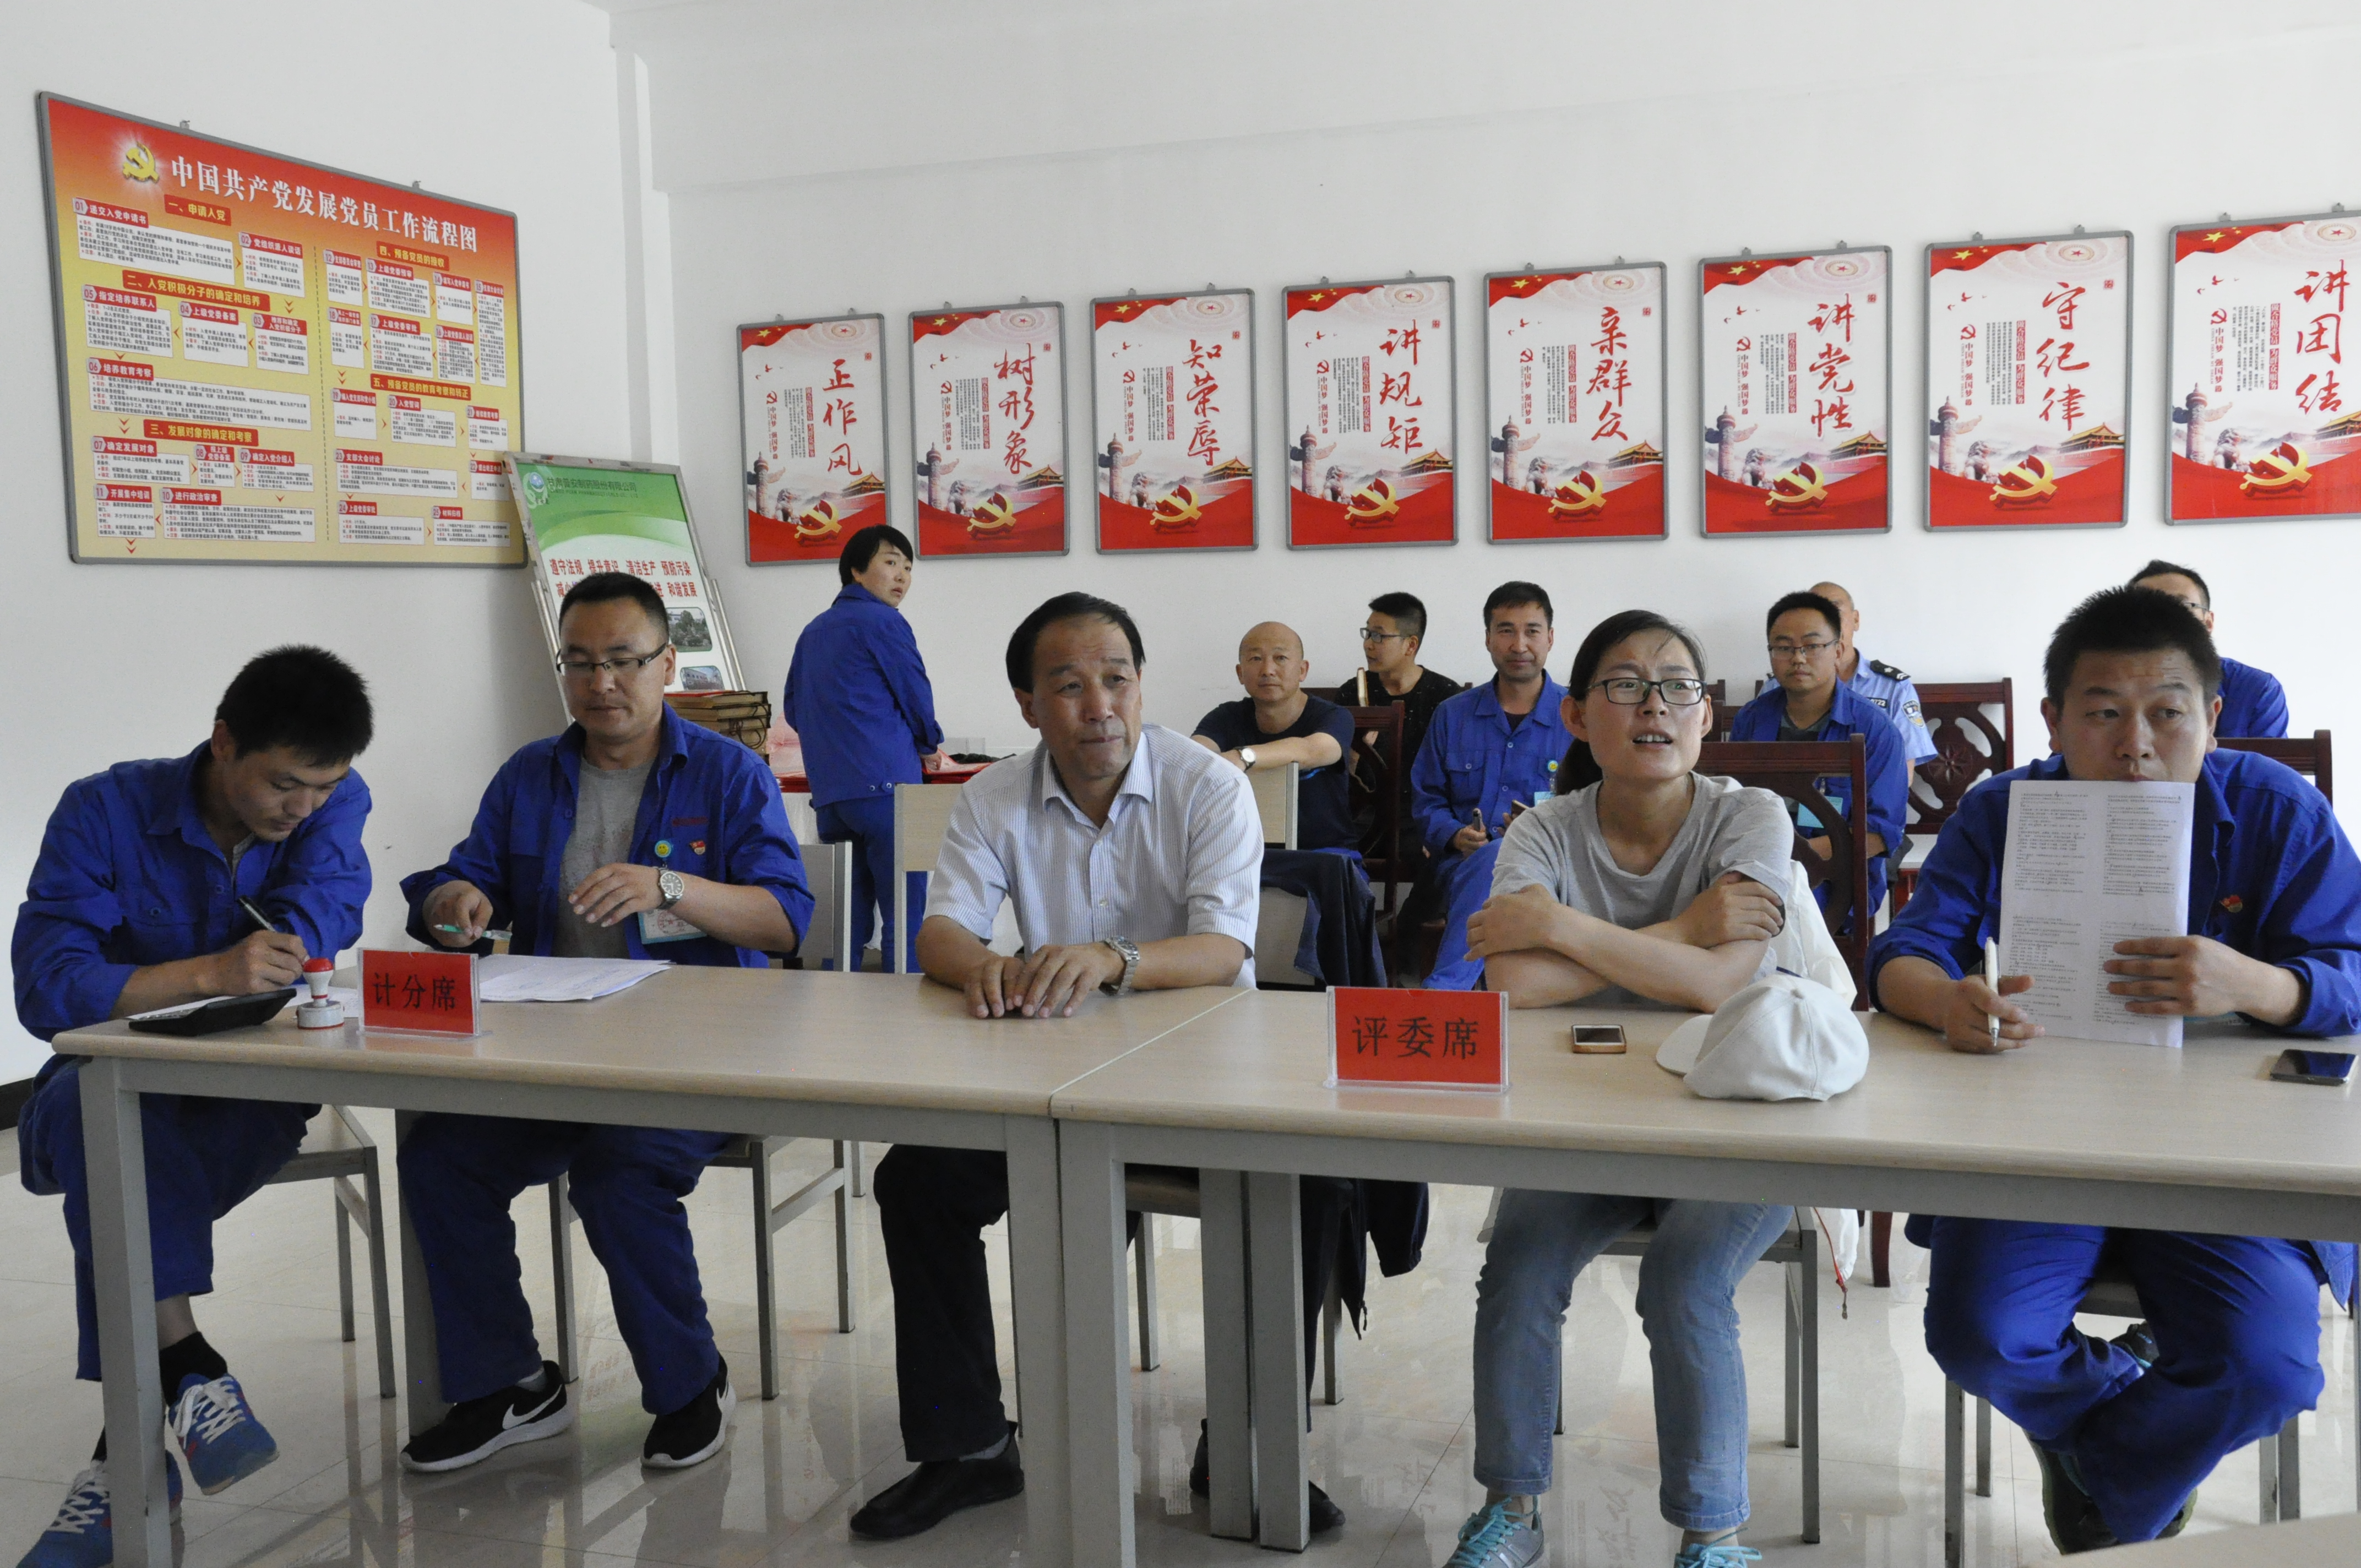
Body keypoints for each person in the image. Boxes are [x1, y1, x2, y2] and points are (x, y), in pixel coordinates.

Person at [1869, 584, 2361, 1552]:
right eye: (2102, 713)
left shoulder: (2277, 807)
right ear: (2053, 720)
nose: (2135, 745)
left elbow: (2352, 970)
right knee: (1980, 1337)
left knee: (2267, 1368)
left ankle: (2105, 1482)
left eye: (2166, 713)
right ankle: (2124, 1423)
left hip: (2226, 1160)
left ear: (2212, 717)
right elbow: (1903, 952)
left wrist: (2256, 983)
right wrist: (1946, 1000)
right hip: (2042, 1144)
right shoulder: (2002, 809)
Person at [851, 592, 1264, 1540]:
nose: (1099, 706)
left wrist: (1114, 959)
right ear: (1028, 704)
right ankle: (967, 1447)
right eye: (1070, 686)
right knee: (917, 1180)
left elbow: (1224, 948)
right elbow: (941, 931)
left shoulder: (1207, 785)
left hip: (1203, 1080)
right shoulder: (993, 794)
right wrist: (984, 967)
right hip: (1056, 1084)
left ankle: (1247, 1444)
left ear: (1141, 684)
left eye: (1117, 679)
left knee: (1301, 1186)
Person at [399, 572, 812, 1476]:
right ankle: (509, 1382)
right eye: (580, 663)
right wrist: (452, 903)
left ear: (667, 664)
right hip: (555, 1055)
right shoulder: (529, 775)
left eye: (624, 660)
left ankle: (689, 1383)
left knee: (617, 1174)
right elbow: (462, 881)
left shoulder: (726, 773)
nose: (602, 683)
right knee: (440, 1159)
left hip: (695, 1055)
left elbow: (785, 920)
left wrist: (671, 887)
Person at [1441, 610, 1794, 1568]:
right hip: (1588, 1115)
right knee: (1517, 1267)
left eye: (1678, 686)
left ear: (1706, 713)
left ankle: (1713, 1534)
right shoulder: (1544, 828)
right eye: (1626, 685)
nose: (1655, 705)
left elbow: (1723, 986)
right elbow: (1513, 983)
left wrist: (1562, 930)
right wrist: (1688, 929)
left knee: (1684, 1279)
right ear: (1576, 714)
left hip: (1740, 1110)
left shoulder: (1749, 817)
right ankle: (1510, 1507)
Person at [12, 647, 376, 1567]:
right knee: (93, 1120)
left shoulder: (332, 802)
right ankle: (189, 1368)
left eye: (323, 788)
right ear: (223, 743)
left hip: (250, 1091)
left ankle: (130, 1461)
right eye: (284, 784)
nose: (303, 809)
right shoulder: (104, 810)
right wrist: (207, 973)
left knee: (109, 1169)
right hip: (114, 1080)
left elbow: (326, 905)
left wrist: (287, 942)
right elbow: (48, 988)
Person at [785, 523, 948, 970]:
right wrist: (928, 742)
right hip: (888, 790)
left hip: (832, 796)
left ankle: (836, 1005)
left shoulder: (813, 631)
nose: (902, 576)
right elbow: (914, 692)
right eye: (891, 562)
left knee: (843, 920)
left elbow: (794, 709)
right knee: (904, 913)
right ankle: (902, 1006)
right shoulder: (884, 621)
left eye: (908, 568)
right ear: (856, 570)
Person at [1729, 590, 1907, 927]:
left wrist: (1790, 860)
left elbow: (1879, 834)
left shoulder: (1875, 729)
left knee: (1781, 914)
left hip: (1838, 879)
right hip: (1758, 870)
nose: (1798, 658)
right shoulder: (1751, 720)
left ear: (1838, 651)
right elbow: (1732, 807)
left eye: (1812, 646)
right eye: (1784, 648)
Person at [1408, 584, 1573, 933]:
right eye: (1506, 631)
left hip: (1554, 868)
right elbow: (1427, 800)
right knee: (1493, 861)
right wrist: (1456, 835)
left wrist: (1535, 833)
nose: (1519, 645)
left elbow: (1598, 804)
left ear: (1550, 638)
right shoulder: (1452, 715)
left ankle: (1457, 971)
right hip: (1461, 868)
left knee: (1506, 862)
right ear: (1488, 639)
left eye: (1532, 631)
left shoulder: (1578, 717)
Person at [1192, 620, 1357, 851]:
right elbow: (1195, 759)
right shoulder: (1225, 717)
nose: (1268, 670)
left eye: (1280, 658)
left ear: (1302, 670)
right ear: (1240, 673)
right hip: (1244, 854)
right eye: (1256, 659)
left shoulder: (1334, 716)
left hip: (1324, 857)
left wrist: (1243, 757)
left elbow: (1311, 750)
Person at [2126, 559, 2288, 738]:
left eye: (2181, 607)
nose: (2165, 620)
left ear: (2208, 623)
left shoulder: (2257, 689)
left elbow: (2270, 757)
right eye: (2148, 610)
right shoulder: (2104, 684)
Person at [1804, 580, 1938, 774]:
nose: (1826, 622)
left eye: (1834, 611)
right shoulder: (1781, 686)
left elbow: (1902, 775)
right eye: (1816, 614)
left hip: (1870, 793)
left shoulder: (1893, 687)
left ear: (1856, 620)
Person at [1334, 591, 1463, 775]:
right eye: (1368, 633)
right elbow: (1334, 773)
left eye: (1378, 636)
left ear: (1410, 645)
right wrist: (1354, 755)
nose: (1368, 644)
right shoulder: (1352, 693)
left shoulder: (1446, 696)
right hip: (1364, 793)